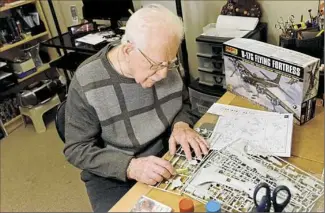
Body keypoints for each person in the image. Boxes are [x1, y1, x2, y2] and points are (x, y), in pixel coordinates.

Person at [64, 4, 209, 213]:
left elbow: (183, 104)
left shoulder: (165, 61)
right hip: (115, 171)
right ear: (128, 50)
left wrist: (181, 125)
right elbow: (77, 149)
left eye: (170, 63)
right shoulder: (88, 80)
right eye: (156, 65)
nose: (163, 74)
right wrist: (130, 167)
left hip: (165, 153)